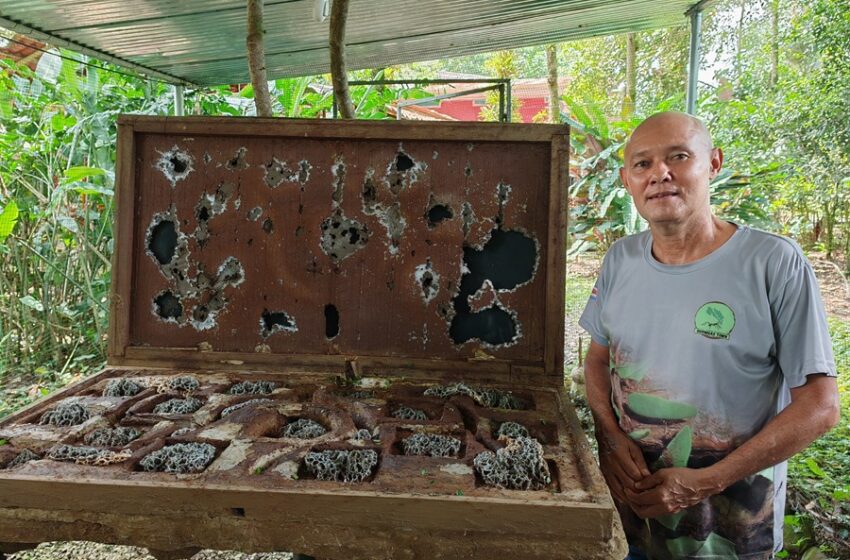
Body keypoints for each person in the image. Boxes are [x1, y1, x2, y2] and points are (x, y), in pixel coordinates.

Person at [579, 111, 840, 559]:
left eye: (678, 157)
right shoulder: (620, 260)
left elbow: (820, 406)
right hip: (631, 521)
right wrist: (609, 436)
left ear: (714, 163)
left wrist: (707, 480)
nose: (660, 173)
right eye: (642, 164)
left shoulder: (772, 263)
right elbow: (598, 362)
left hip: (729, 535)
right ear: (626, 179)